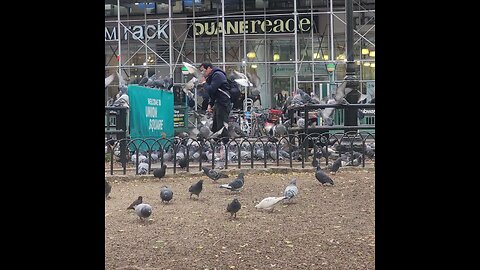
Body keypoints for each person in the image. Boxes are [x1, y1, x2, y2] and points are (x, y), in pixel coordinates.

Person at [199, 62, 231, 144]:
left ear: (209, 68)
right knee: (215, 127)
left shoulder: (218, 75)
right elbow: (213, 93)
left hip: (223, 103)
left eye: (203, 71)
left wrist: (204, 83)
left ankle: (224, 145)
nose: (202, 73)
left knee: (221, 126)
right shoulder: (212, 76)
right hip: (218, 103)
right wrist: (210, 104)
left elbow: (211, 89)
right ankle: (216, 145)